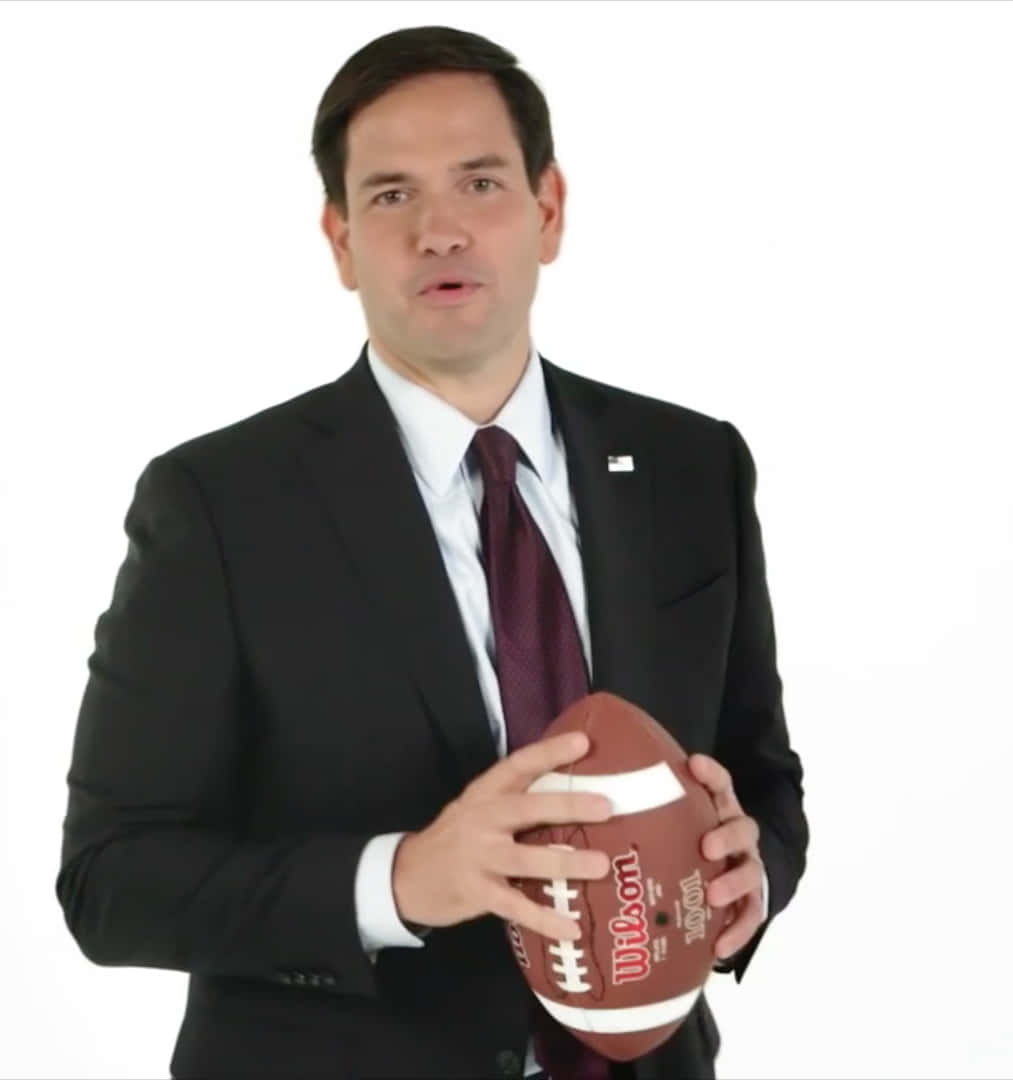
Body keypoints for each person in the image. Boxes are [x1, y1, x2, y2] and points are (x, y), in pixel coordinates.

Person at [56, 25, 809, 1080]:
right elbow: (111, 882)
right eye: (393, 195)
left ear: (548, 212)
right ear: (339, 238)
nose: (440, 230)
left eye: (480, 182)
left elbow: (762, 775)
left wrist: (751, 870)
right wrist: (402, 880)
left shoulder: (693, 467)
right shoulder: (219, 504)